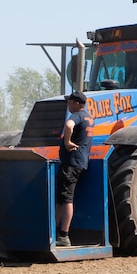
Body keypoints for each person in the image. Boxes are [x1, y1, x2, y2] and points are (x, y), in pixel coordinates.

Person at [55, 90, 93, 248]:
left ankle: (64, 235)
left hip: (71, 163)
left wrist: (67, 142)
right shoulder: (89, 118)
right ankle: (54, 232)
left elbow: (68, 125)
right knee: (62, 199)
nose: (68, 104)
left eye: (70, 101)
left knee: (66, 199)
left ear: (77, 104)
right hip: (80, 163)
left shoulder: (77, 116)